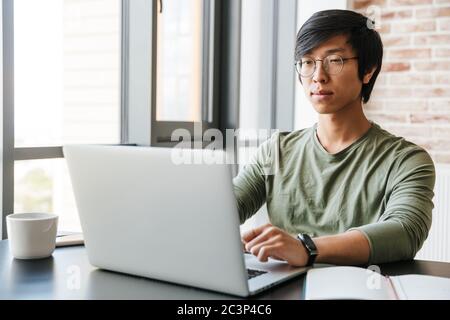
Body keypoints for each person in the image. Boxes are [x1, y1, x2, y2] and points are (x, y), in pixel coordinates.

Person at [233, 9, 435, 267]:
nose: (318, 76)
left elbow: (406, 231)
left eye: (335, 60)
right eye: (307, 62)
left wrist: (305, 248)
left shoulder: (406, 160)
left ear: (368, 70)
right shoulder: (276, 151)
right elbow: (225, 209)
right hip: (281, 286)